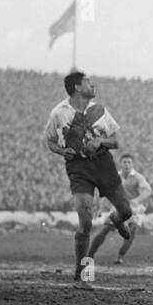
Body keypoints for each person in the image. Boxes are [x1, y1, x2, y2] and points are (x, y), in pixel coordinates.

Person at [42, 70, 134, 285]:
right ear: (77, 87)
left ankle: (115, 220)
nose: (93, 86)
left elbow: (117, 140)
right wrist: (62, 151)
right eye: (88, 83)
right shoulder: (58, 113)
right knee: (85, 219)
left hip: (104, 164)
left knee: (126, 211)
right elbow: (50, 141)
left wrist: (100, 142)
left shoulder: (99, 110)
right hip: (78, 167)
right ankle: (81, 273)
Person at [88, 153, 152, 263]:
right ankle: (90, 254)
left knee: (131, 232)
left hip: (134, 210)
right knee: (104, 230)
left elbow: (147, 191)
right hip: (118, 208)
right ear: (121, 164)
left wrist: (136, 200)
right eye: (125, 162)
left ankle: (120, 256)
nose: (127, 164)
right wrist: (100, 208)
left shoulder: (138, 177)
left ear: (132, 164)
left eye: (129, 162)